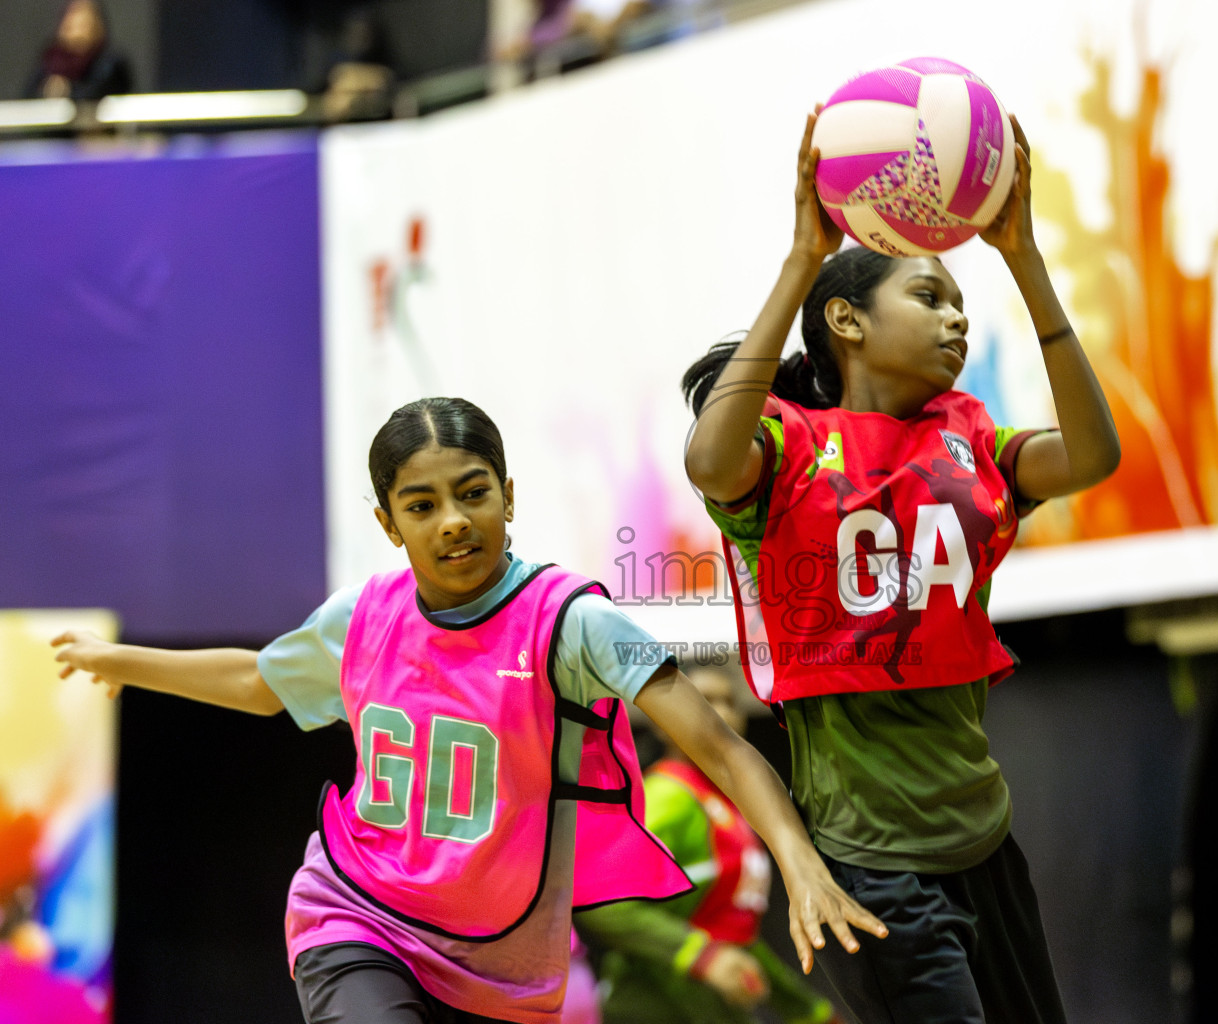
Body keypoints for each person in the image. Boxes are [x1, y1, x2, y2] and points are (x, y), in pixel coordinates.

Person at [52, 397, 884, 1024]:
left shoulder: (574, 621)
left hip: (506, 962)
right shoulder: (362, 617)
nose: (453, 521)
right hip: (359, 913)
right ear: (389, 523)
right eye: (421, 506)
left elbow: (719, 746)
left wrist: (802, 861)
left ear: (509, 496)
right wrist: (125, 661)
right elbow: (259, 681)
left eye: (472, 492)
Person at [679, 112, 1121, 1024]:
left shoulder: (975, 438)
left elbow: (1092, 455)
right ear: (846, 320)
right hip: (869, 860)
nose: (957, 317)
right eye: (930, 297)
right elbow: (711, 461)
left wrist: (1026, 261)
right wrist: (803, 258)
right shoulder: (791, 445)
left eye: (962, 303)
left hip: (985, 838)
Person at [576, 663, 839, 1024]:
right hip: (652, 1008)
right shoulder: (667, 798)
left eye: (731, 701)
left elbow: (732, 932)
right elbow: (600, 899)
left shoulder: (727, 807)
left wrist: (808, 1011)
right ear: (660, 720)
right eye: (706, 701)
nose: (725, 713)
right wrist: (699, 954)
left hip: (714, 1006)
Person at [27, 0, 132, 102]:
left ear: (96, 26)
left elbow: (96, 93)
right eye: (71, 26)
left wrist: (66, 90)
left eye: (82, 25)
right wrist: (47, 89)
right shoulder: (51, 61)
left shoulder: (109, 62)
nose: (76, 33)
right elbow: (28, 94)